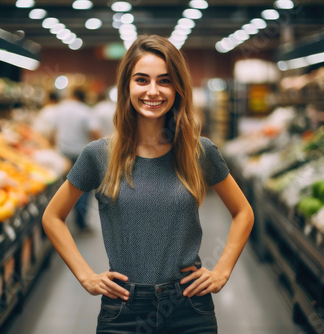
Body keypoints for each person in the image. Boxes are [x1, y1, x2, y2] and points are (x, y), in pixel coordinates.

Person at [42, 35, 254, 333]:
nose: (152, 91)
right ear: (127, 86)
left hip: (189, 309)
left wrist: (221, 272)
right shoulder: (98, 155)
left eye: (164, 81)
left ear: (178, 88)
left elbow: (243, 212)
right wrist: (86, 276)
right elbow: (52, 217)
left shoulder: (199, 151)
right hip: (123, 311)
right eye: (142, 80)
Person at [52, 87, 100, 233]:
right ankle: (80, 221)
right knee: (82, 189)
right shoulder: (85, 111)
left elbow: (53, 131)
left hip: (63, 153)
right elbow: (95, 133)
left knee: (63, 187)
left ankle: (60, 218)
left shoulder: (60, 109)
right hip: (81, 154)